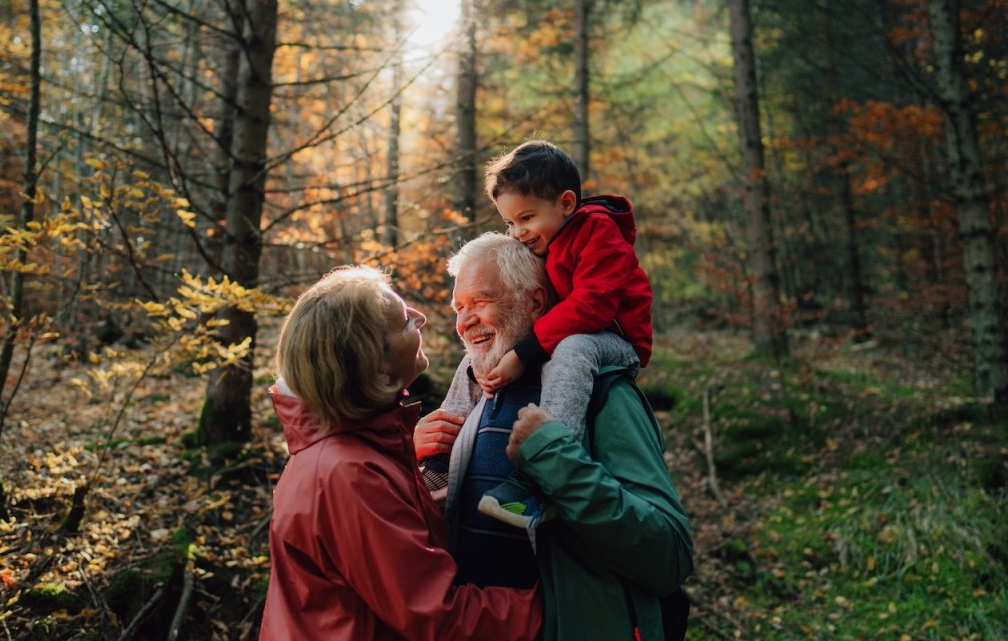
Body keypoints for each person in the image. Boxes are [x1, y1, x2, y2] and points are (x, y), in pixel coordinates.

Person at [417, 233, 693, 640]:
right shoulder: (472, 396)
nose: (464, 321)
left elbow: (668, 556)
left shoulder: (604, 395)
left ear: (535, 302)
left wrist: (560, 465)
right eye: (459, 308)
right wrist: (411, 459)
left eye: (480, 301)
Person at [258, 266, 542, 641]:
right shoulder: (347, 475)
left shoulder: (355, 452)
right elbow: (436, 616)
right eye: (405, 321)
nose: (421, 317)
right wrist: (557, 607)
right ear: (376, 366)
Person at [431, 139, 654, 528]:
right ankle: (446, 465)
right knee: (481, 360)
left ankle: (547, 463)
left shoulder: (598, 234)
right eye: (510, 222)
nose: (518, 232)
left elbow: (593, 306)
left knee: (570, 350)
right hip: (577, 335)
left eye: (526, 218)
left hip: (613, 338)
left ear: (566, 204)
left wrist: (526, 352)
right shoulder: (549, 238)